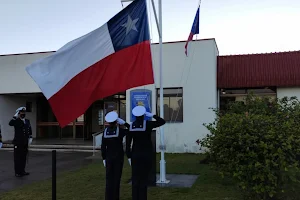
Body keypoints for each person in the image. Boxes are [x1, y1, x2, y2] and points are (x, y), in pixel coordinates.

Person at [126, 106, 166, 200]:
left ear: (135, 116)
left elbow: (128, 144)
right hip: (146, 155)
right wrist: (153, 115)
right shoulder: (147, 124)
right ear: (144, 115)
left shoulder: (131, 126)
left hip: (135, 155)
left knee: (135, 179)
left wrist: (129, 156)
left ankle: (135, 197)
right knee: (144, 179)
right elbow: (162, 122)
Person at [101, 111, 129, 200]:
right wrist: (124, 123)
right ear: (116, 121)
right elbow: (131, 129)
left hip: (108, 158)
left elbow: (103, 146)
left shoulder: (105, 131)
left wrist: (104, 158)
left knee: (109, 179)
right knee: (117, 179)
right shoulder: (120, 131)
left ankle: (108, 197)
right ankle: (115, 197)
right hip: (118, 158)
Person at [9, 107, 33, 177]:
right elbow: (10, 123)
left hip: (25, 142)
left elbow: (29, 129)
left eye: (24, 113)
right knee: (17, 158)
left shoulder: (27, 121)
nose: (23, 114)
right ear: (18, 114)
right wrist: (14, 116)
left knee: (23, 157)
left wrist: (30, 137)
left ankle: (22, 171)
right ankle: (17, 172)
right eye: (21, 113)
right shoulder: (16, 121)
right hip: (18, 142)